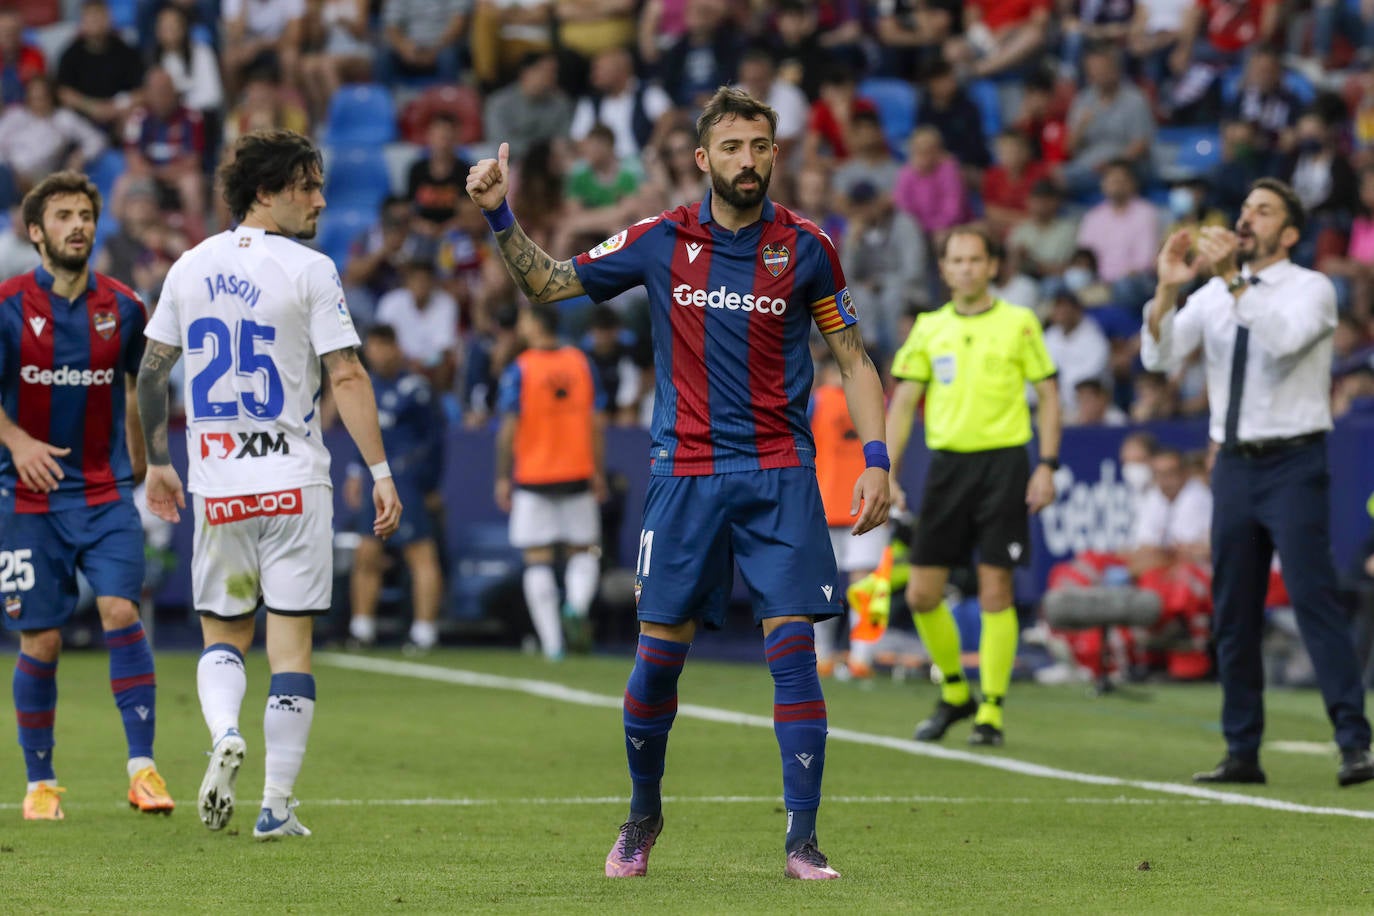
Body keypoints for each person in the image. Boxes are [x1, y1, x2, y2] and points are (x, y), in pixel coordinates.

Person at [467, 86, 891, 880]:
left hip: (780, 474)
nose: (748, 161)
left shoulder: (806, 247)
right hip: (685, 475)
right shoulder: (662, 239)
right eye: (732, 148)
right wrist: (500, 215)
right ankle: (641, 816)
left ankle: (802, 841)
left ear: (775, 154)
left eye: (761, 146)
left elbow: (854, 359)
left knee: (794, 653)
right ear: (704, 159)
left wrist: (876, 459)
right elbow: (552, 284)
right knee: (657, 661)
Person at [136, 128, 402, 839]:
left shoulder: (190, 267)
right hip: (293, 485)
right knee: (291, 650)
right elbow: (345, 374)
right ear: (265, 192)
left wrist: (160, 461)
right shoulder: (310, 269)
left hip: (219, 483)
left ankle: (224, 730)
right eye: (305, 186)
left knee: (222, 634)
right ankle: (276, 806)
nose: (319, 200)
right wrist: (379, 471)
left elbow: (153, 372)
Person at [1142, 177, 1374, 788]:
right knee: (1232, 612)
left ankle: (1354, 742)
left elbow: (1284, 339)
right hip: (1236, 465)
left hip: (1294, 462)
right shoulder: (1216, 294)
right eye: (1245, 208)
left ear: (1289, 232)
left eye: (1264, 211)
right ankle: (1241, 750)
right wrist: (1167, 289)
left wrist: (1229, 280)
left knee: (1313, 599)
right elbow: (1158, 359)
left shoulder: (1313, 289)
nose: (1247, 219)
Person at [0, 170, 173, 821]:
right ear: (35, 230)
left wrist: (156, 463)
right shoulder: (8, 306)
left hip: (104, 495)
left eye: (85, 215)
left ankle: (143, 770)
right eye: (64, 215)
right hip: (25, 500)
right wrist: (17, 441)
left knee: (121, 614)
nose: (78, 225)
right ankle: (40, 782)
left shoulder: (124, 306)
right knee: (40, 642)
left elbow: (147, 387)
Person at [886, 225, 1061, 748]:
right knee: (921, 594)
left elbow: (1049, 395)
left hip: (1004, 466)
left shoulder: (1019, 323)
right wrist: (887, 471)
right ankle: (956, 691)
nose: (964, 268)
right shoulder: (928, 328)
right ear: (944, 269)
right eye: (955, 259)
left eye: (974, 259)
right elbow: (901, 403)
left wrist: (1046, 463)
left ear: (991, 266)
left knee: (995, 590)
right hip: (947, 469)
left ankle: (991, 709)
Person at [495, 302, 607, 658]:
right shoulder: (581, 363)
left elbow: (508, 428)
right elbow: (597, 423)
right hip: (577, 470)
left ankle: (553, 644)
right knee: (584, 549)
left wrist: (501, 476)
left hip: (534, 473)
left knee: (537, 558)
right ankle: (575, 606)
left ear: (535, 322)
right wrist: (598, 471)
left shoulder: (522, 368)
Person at [345, 323, 445, 652]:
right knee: (366, 554)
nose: (378, 352)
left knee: (419, 554)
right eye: (372, 346)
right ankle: (362, 628)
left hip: (407, 480)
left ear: (396, 348)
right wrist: (355, 472)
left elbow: (435, 440)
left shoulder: (415, 388)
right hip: (375, 477)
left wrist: (427, 482)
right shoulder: (366, 386)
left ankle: (425, 632)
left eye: (384, 345)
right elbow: (359, 434)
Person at [810, 355, 889, 678]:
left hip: (827, 505)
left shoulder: (816, 401)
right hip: (864, 504)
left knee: (822, 587)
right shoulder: (878, 401)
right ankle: (861, 658)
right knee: (865, 587)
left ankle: (822, 657)